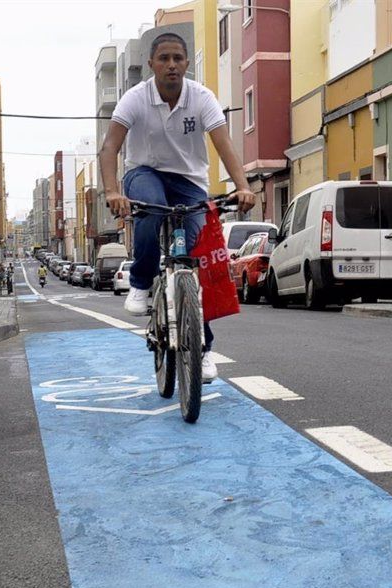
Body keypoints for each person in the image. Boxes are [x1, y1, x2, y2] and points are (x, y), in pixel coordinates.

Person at [99, 31, 255, 382]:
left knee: (203, 255)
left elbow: (224, 145)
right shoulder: (135, 99)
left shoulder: (201, 98)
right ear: (152, 64)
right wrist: (112, 191)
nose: (171, 65)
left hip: (189, 182)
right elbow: (110, 148)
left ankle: (205, 348)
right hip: (145, 172)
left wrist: (243, 186)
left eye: (178, 58)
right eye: (164, 58)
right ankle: (141, 283)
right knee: (152, 206)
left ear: (186, 64)